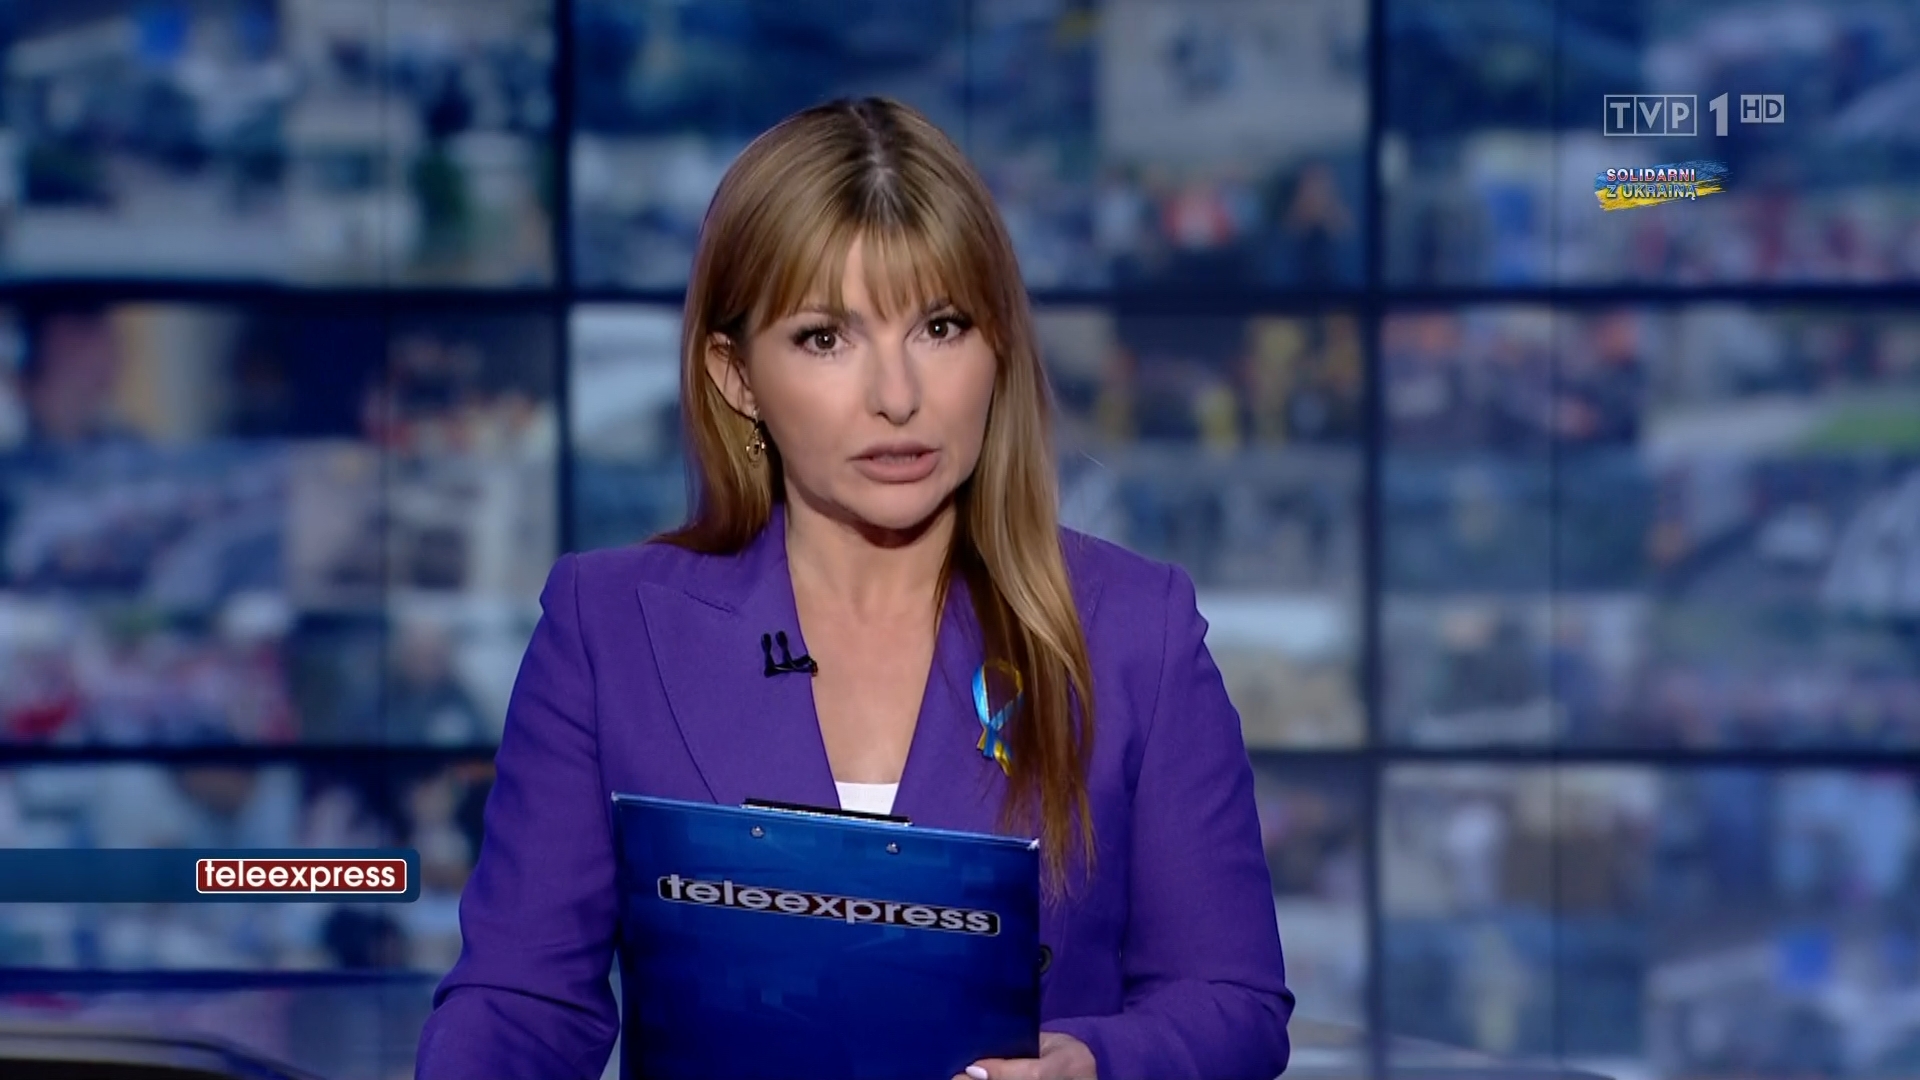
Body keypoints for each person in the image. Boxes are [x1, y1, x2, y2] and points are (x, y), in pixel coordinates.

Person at [414, 97, 1293, 1080]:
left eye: (941, 327)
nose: (898, 397)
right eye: (826, 338)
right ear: (736, 374)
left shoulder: (1134, 632)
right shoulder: (609, 628)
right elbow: (522, 1003)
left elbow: (1232, 1002)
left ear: (998, 345)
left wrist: (1090, 1063)